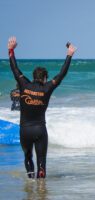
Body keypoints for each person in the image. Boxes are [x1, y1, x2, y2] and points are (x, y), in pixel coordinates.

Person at [8, 36, 77, 178]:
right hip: (40, 129)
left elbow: (15, 69)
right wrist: (69, 55)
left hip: (25, 130)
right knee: (41, 161)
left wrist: (11, 50)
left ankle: (30, 180)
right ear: (45, 78)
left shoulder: (24, 84)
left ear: (33, 77)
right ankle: (41, 182)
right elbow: (62, 74)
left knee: (28, 157)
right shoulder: (47, 88)